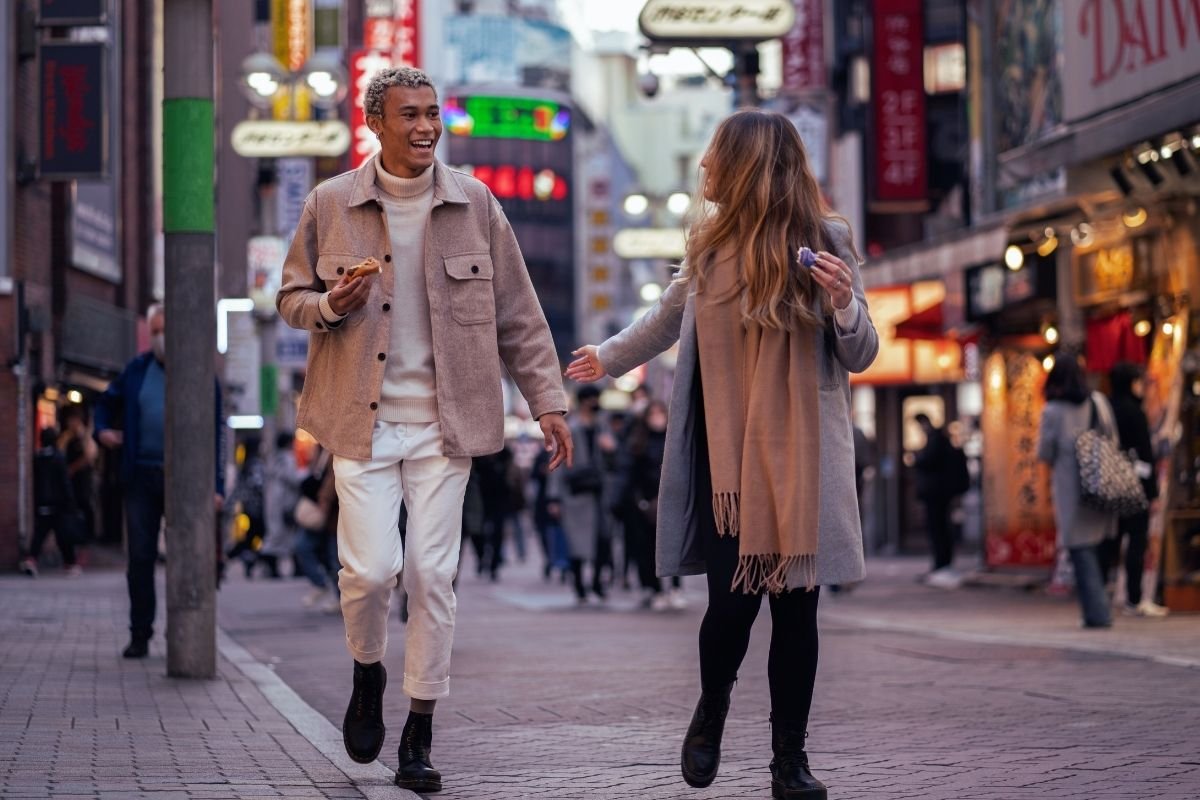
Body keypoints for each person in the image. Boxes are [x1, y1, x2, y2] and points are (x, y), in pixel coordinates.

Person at [275, 66, 572, 793]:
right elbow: (290, 297)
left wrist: (548, 402)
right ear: (375, 123)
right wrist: (332, 306)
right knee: (370, 572)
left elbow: (519, 315)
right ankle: (367, 671)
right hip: (360, 421)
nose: (425, 127)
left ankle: (419, 731)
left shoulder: (476, 204)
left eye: (433, 113)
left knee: (433, 576)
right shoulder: (331, 202)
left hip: (448, 425)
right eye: (409, 114)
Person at [567, 108, 878, 799]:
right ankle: (712, 709)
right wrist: (607, 357)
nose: (705, 165)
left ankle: (789, 761)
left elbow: (860, 352)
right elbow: (666, 319)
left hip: (803, 461)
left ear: (747, 165)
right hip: (726, 461)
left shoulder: (826, 239)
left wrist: (843, 303)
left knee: (796, 611)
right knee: (732, 607)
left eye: (715, 154)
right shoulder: (708, 248)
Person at [94, 303, 224, 659]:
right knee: (140, 557)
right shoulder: (136, 370)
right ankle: (140, 633)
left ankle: (184, 631)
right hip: (141, 476)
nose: (160, 337)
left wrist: (217, 487)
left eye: (165, 330)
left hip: (187, 479)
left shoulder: (199, 372)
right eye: (154, 331)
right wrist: (102, 430)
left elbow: (217, 432)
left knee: (188, 554)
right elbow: (105, 403)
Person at [1037, 355, 1117, 629]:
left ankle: (1098, 612)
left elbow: (1044, 452)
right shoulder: (1098, 402)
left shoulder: (1052, 411)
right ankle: (1099, 608)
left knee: (1081, 550)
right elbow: (1113, 439)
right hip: (1102, 483)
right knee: (1098, 546)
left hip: (1071, 489)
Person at [1104, 362, 1168, 617]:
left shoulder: (1105, 408)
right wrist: (1152, 493)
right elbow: (1145, 453)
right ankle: (1134, 598)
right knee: (1136, 541)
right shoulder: (1134, 411)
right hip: (1135, 484)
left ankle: (1101, 593)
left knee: (1110, 540)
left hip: (1110, 482)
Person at [550, 386, 609, 604]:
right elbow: (558, 462)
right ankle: (579, 586)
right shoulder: (571, 427)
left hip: (600, 493)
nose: (594, 403)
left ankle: (596, 583)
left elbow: (615, 460)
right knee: (577, 542)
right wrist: (554, 498)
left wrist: (610, 449)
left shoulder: (603, 426)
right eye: (590, 399)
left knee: (603, 540)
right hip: (575, 493)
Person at [626, 399, 686, 610]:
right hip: (647, 504)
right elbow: (632, 476)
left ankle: (676, 588)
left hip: (673, 501)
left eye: (660, 413)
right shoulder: (638, 443)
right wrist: (641, 503)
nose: (657, 418)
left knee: (676, 547)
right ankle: (656, 589)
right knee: (650, 549)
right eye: (653, 414)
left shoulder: (676, 440)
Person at [21, 428, 81, 577]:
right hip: (59, 504)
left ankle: (31, 560)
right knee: (64, 535)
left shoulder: (37, 458)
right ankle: (70, 564)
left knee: (39, 534)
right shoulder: (59, 458)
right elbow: (65, 482)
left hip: (42, 503)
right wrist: (70, 501)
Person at [912, 413, 961, 588]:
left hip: (936, 492)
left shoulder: (935, 439)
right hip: (939, 492)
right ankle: (942, 563)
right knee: (939, 527)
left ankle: (942, 563)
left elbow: (929, 461)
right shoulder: (938, 438)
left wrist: (917, 458)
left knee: (938, 528)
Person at [60, 405, 98, 547]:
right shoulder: (67, 436)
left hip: (83, 479)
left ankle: (87, 537)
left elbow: (90, 456)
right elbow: (60, 450)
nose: (70, 423)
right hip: (72, 480)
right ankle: (74, 535)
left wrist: (72, 468)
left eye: (72, 420)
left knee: (85, 504)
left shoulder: (85, 436)